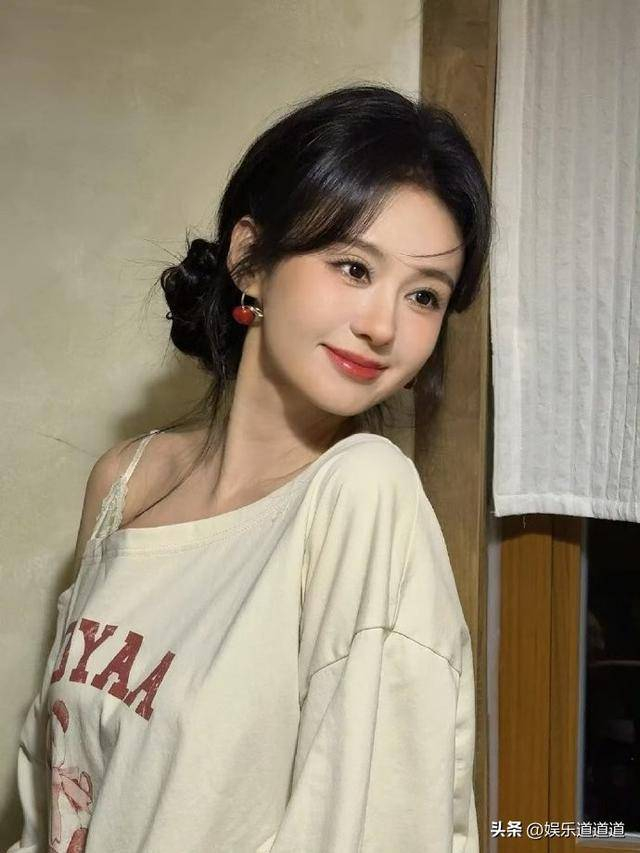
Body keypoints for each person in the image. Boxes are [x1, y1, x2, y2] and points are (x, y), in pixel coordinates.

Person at [8, 83, 491, 853]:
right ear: (250, 260)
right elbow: (54, 803)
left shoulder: (363, 494)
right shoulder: (125, 481)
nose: (383, 325)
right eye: (354, 267)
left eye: (425, 296)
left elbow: (378, 828)